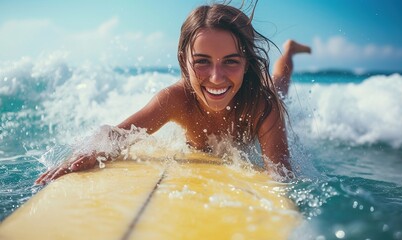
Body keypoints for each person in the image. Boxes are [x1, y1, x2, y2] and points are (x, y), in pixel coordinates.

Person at [35, 3, 310, 185]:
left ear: (247, 62)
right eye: (202, 61)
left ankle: (287, 52)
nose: (216, 77)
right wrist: (89, 151)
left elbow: (283, 178)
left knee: (278, 85)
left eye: (231, 60)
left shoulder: (262, 106)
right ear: (184, 60)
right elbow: (119, 134)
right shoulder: (175, 99)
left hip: (259, 93)